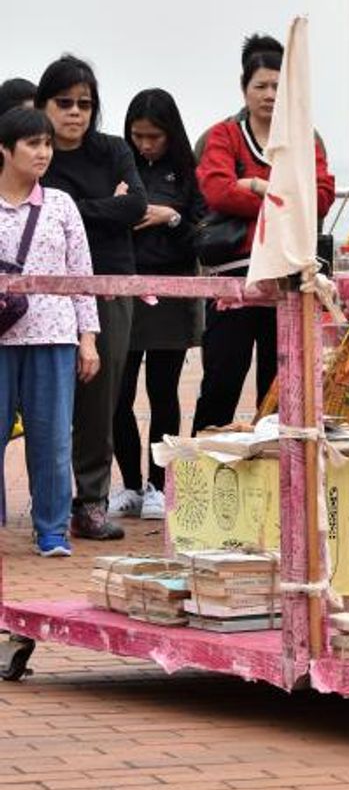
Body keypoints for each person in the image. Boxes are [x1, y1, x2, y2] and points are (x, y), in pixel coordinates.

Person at [191, 34, 335, 431]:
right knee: (220, 384)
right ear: (244, 88)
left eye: (278, 86)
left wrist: (253, 186)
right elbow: (218, 191)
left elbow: (321, 197)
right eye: (261, 86)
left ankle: (279, 482)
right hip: (234, 280)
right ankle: (204, 481)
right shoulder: (222, 135)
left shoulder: (307, 137)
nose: (270, 94)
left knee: (281, 389)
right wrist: (286, 198)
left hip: (289, 279)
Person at [36, 55, 147, 541]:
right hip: (47, 290)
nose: (75, 112)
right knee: (45, 401)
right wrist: (106, 207)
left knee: (102, 399)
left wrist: (67, 209)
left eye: (85, 103)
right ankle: (50, 505)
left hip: (108, 283)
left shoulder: (113, 149)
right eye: (64, 102)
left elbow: (136, 205)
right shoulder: (34, 153)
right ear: (43, 105)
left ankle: (92, 501)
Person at [0, 107, 100, 557]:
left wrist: (89, 338)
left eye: (46, 144)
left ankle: (52, 532)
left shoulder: (61, 204)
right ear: (5, 149)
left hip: (55, 337)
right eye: (32, 144)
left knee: (53, 439)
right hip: (1, 338)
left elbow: (82, 274)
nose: (43, 153)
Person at [109, 89, 205, 521]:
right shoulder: (117, 166)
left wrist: (172, 217)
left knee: (163, 391)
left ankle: (159, 485)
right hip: (125, 288)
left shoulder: (188, 173)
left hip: (171, 292)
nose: (146, 145)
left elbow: (203, 235)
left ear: (171, 134)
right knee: (118, 393)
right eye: (138, 135)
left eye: (154, 136)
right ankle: (128, 484)